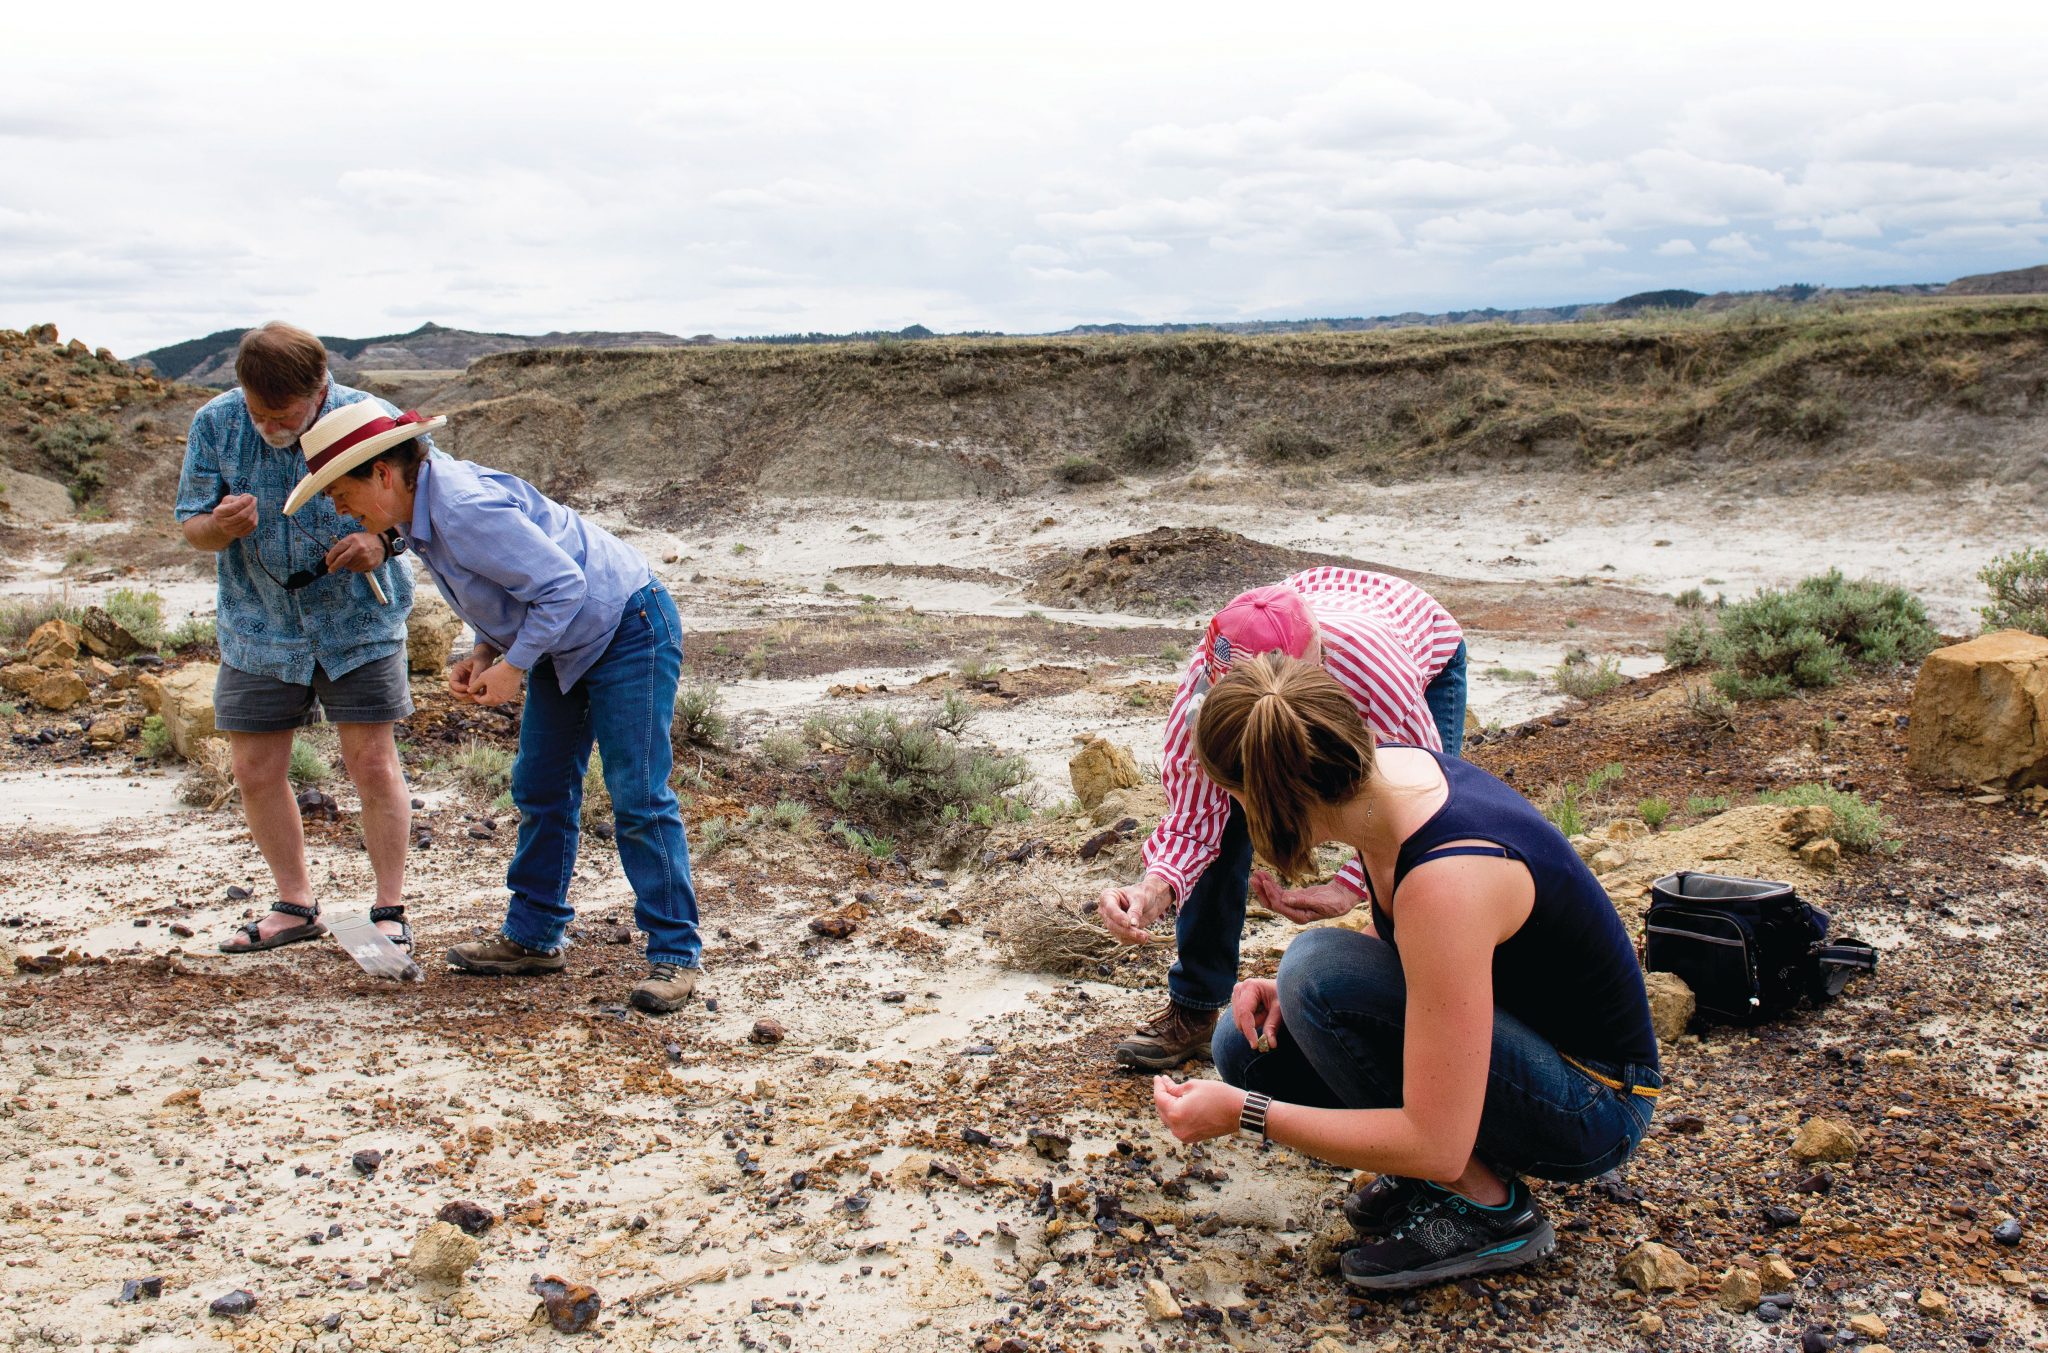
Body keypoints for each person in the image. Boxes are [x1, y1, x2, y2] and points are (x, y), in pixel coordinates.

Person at [1149, 654, 1658, 1291]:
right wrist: (1294, 998)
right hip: (1517, 1038)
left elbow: (1437, 1134)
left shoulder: (1446, 877)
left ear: (1273, 799)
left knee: (1312, 974)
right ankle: (1434, 1175)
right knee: (1246, 1048)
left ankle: (1491, 1209)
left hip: (1596, 1099)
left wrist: (1244, 1115)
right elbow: (1412, 947)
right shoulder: (1376, 786)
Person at [282, 401, 704, 1014]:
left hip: (627, 628)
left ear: (382, 475)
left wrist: (514, 665)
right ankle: (534, 939)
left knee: (637, 794)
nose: (339, 509)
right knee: (540, 786)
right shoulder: (420, 512)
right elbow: (512, 590)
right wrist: (486, 651)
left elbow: (563, 586)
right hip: (569, 640)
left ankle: (675, 954)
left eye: (341, 492)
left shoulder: (460, 508)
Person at [1098, 570, 1467, 1069]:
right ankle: (1196, 1010)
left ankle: (1406, 1017)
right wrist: (1151, 892)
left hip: (1417, 639)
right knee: (1225, 821)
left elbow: (1415, 815)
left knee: (1413, 854)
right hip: (1321, 619)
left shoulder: (1376, 681)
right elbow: (1196, 819)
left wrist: (1350, 885)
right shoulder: (1206, 683)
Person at [174, 323, 419, 954]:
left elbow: (430, 508)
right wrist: (217, 526)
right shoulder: (215, 422)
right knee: (254, 770)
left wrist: (381, 542)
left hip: (359, 624)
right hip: (258, 626)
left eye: (285, 416)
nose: (270, 427)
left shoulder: (373, 419)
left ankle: (388, 911)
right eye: (259, 414)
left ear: (320, 389)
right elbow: (191, 527)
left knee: (371, 763)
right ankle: (296, 906)